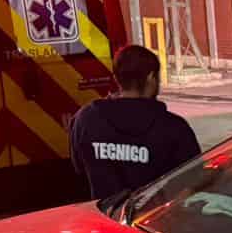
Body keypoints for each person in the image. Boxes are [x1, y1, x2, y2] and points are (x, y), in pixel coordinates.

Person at [70, 45, 201, 201]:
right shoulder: (175, 128)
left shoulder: (85, 119)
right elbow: (193, 182)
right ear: (151, 77)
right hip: (152, 223)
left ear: (116, 77)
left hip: (104, 220)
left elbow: (78, 168)